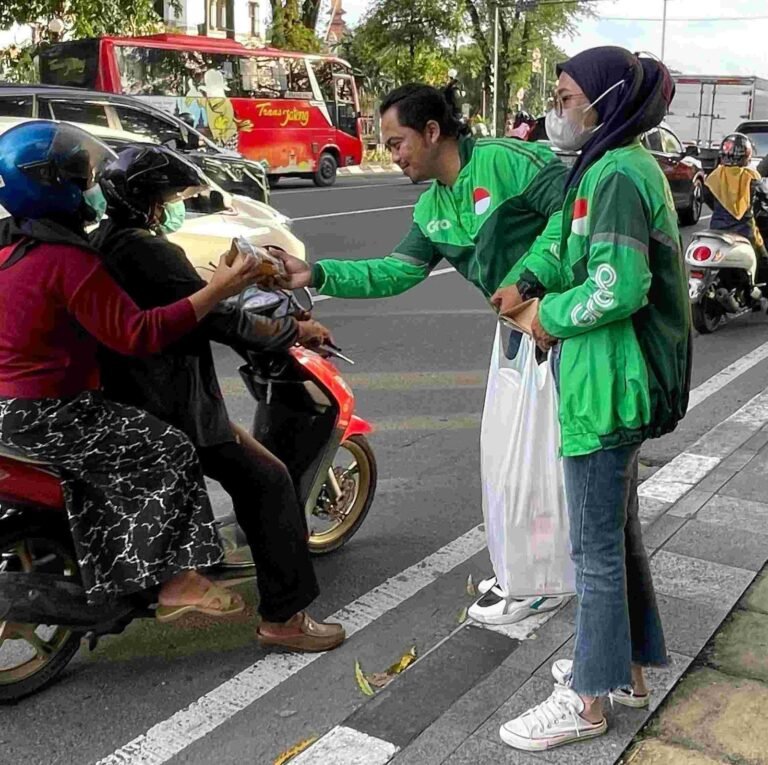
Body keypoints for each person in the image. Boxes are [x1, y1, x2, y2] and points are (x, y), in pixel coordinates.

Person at [267, 82, 570, 626]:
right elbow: (396, 271)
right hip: (517, 338)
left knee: (549, 464)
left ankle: (547, 580)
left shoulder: (508, 162)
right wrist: (315, 272)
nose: (393, 154)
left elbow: (574, 210)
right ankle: (530, 570)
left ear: (432, 132)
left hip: (564, 333)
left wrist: (530, 280)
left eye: (397, 141)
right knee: (509, 462)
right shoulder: (433, 206)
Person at [496, 47, 691, 752]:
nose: (557, 106)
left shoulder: (615, 174)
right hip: (606, 381)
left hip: (608, 386)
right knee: (615, 534)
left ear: (604, 103)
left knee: (595, 549)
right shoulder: (607, 165)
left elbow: (619, 285)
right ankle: (622, 666)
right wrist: (522, 281)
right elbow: (560, 241)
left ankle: (586, 699)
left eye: (567, 94)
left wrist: (543, 316)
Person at [0, 120, 260, 618]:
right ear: (56, 189)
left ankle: (115, 565)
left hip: (10, 411)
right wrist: (216, 292)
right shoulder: (68, 262)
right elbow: (137, 334)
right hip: (53, 412)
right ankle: (176, 581)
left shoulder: (11, 248)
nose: (91, 191)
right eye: (81, 181)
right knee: (171, 451)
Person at [91, 145, 345, 652]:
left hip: (122, 395)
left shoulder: (107, 242)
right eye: (168, 196)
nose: (172, 205)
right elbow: (217, 319)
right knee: (268, 482)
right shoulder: (147, 249)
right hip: (168, 402)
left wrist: (224, 282)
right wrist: (293, 328)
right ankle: (284, 618)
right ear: (148, 201)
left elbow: (189, 299)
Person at [704, 133, 768, 280]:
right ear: (746, 154)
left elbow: (707, 198)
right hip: (745, 232)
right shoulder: (751, 176)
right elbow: (762, 196)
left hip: (716, 231)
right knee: (764, 260)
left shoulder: (714, 176)